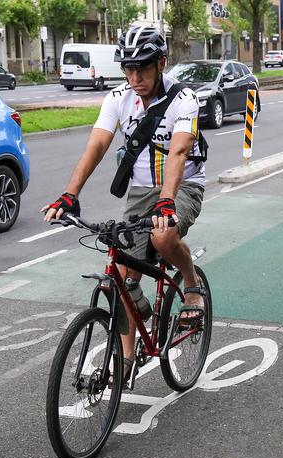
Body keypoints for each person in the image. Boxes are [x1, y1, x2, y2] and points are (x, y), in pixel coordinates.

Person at [41, 26, 206, 383]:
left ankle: (191, 285)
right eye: (128, 69)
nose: (135, 77)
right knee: (121, 273)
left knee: (163, 238)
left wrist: (166, 203)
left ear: (161, 63)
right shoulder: (118, 97)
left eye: (143, 68)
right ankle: (127, 358)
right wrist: (70, 195)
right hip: (140, 190)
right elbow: (97, 146)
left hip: (183, 185)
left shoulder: (185, 99)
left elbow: (179, 151)